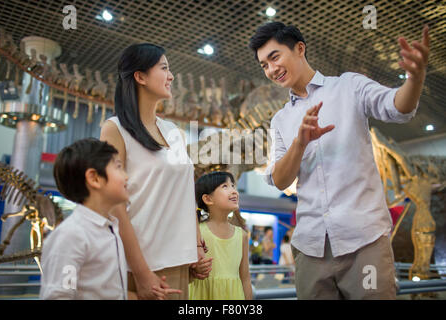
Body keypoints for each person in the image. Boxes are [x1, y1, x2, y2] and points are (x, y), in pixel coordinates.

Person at [249, 22, 430, 299]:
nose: (271, 69)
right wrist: (300, 142)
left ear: (299, 49)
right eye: (264, 65)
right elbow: (280, 179)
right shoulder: (281, 119)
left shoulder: (349, 86)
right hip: (311, 248)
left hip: (364, 241)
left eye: (274, 57)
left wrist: (415, 80)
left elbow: (398, 107)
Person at [100, 43, 210, 300]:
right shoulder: (114, 129)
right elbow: (114, 204)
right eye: (164, 68)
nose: (171, 76)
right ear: (140, 76)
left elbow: (185, 193)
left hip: (180, 261)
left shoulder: (173, 130)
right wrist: (141, 272)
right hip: (140, 262)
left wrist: (195, 246)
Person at [40, 138, 129, 299]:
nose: (126, 177)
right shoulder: (72, 236)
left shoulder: (110, 228)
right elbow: (61, 294)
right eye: (118, 167)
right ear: (94, 178)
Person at [189, 171, 253, 300]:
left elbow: (245, 278)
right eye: (225, 186)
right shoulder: (196, 233)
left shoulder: (242, 235)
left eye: (233, 186)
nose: (234, 191)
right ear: (208, 199)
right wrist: (195, 270)